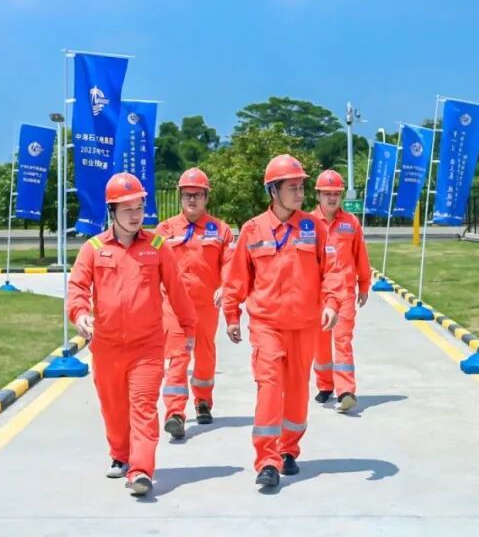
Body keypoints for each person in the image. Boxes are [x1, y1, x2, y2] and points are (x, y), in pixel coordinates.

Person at [66, 172, 197, 497]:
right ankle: (120, 455)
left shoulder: (157, 247)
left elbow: (177, 291)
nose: (136, 214)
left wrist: (188, 328)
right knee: (113, 408)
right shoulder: (94, 248)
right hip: (107, 347)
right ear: (112, 211)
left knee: (143, 407)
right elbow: (77, 288)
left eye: (139, 207)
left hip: (147, 347)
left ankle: (141, 471)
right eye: (127, 209)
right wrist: (80, 314)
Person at [222, 154, 342, 488]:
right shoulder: (252, 230)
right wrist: (231, 314)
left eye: (302, 186)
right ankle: (267, 460)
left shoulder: (314, 228)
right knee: (270, 388)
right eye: (293, 187)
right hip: (266, 326)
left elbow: (332, 271)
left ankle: (289, 449)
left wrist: (332, 302)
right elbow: (236, 277)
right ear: (273, 190)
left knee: (298, 392)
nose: (300, 193)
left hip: (304, 326)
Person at [156, 167, 235, 439]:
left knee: (205, 354)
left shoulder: (221, 230)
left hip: (206, 305)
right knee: (178, 356)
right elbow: (151, 265)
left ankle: (203, 401)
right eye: (187, 195)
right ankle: (175, 413)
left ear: (206, 197)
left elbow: (229, 264)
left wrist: (225, 286)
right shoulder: (165, 230)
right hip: (174, 307)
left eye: (198, 195)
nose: (192, 199)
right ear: (180, 196)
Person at [310, 169, 371, 413]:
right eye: (327, 193)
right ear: (318, 195)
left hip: (344, 291)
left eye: (336, 193)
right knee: (320, 342)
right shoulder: (307, 224)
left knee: (343, 340)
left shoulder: (351, 223)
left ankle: (345, 390)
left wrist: (364, 284)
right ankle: (325, 385)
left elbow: (361, 256)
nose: (332, 198)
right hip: (316, 293)